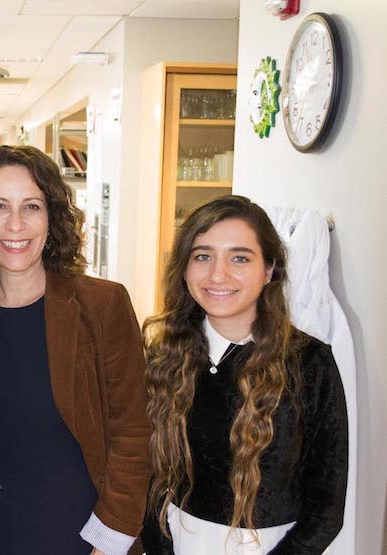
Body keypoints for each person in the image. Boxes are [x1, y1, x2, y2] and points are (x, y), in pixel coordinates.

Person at [0, 145, 151, 555]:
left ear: (52, 217)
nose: (15, 224)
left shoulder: (101, 305)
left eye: (32, 207)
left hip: (75, 533)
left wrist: (110, 541)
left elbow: (134, 433)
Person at [140, 196, 348, 554]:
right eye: (202, 256)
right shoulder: (165, 354)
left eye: (239, 258)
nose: (218, 274)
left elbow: (326, 507)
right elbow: (150, 475)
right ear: (185, 268)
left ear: (269, 270)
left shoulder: (308, 362)